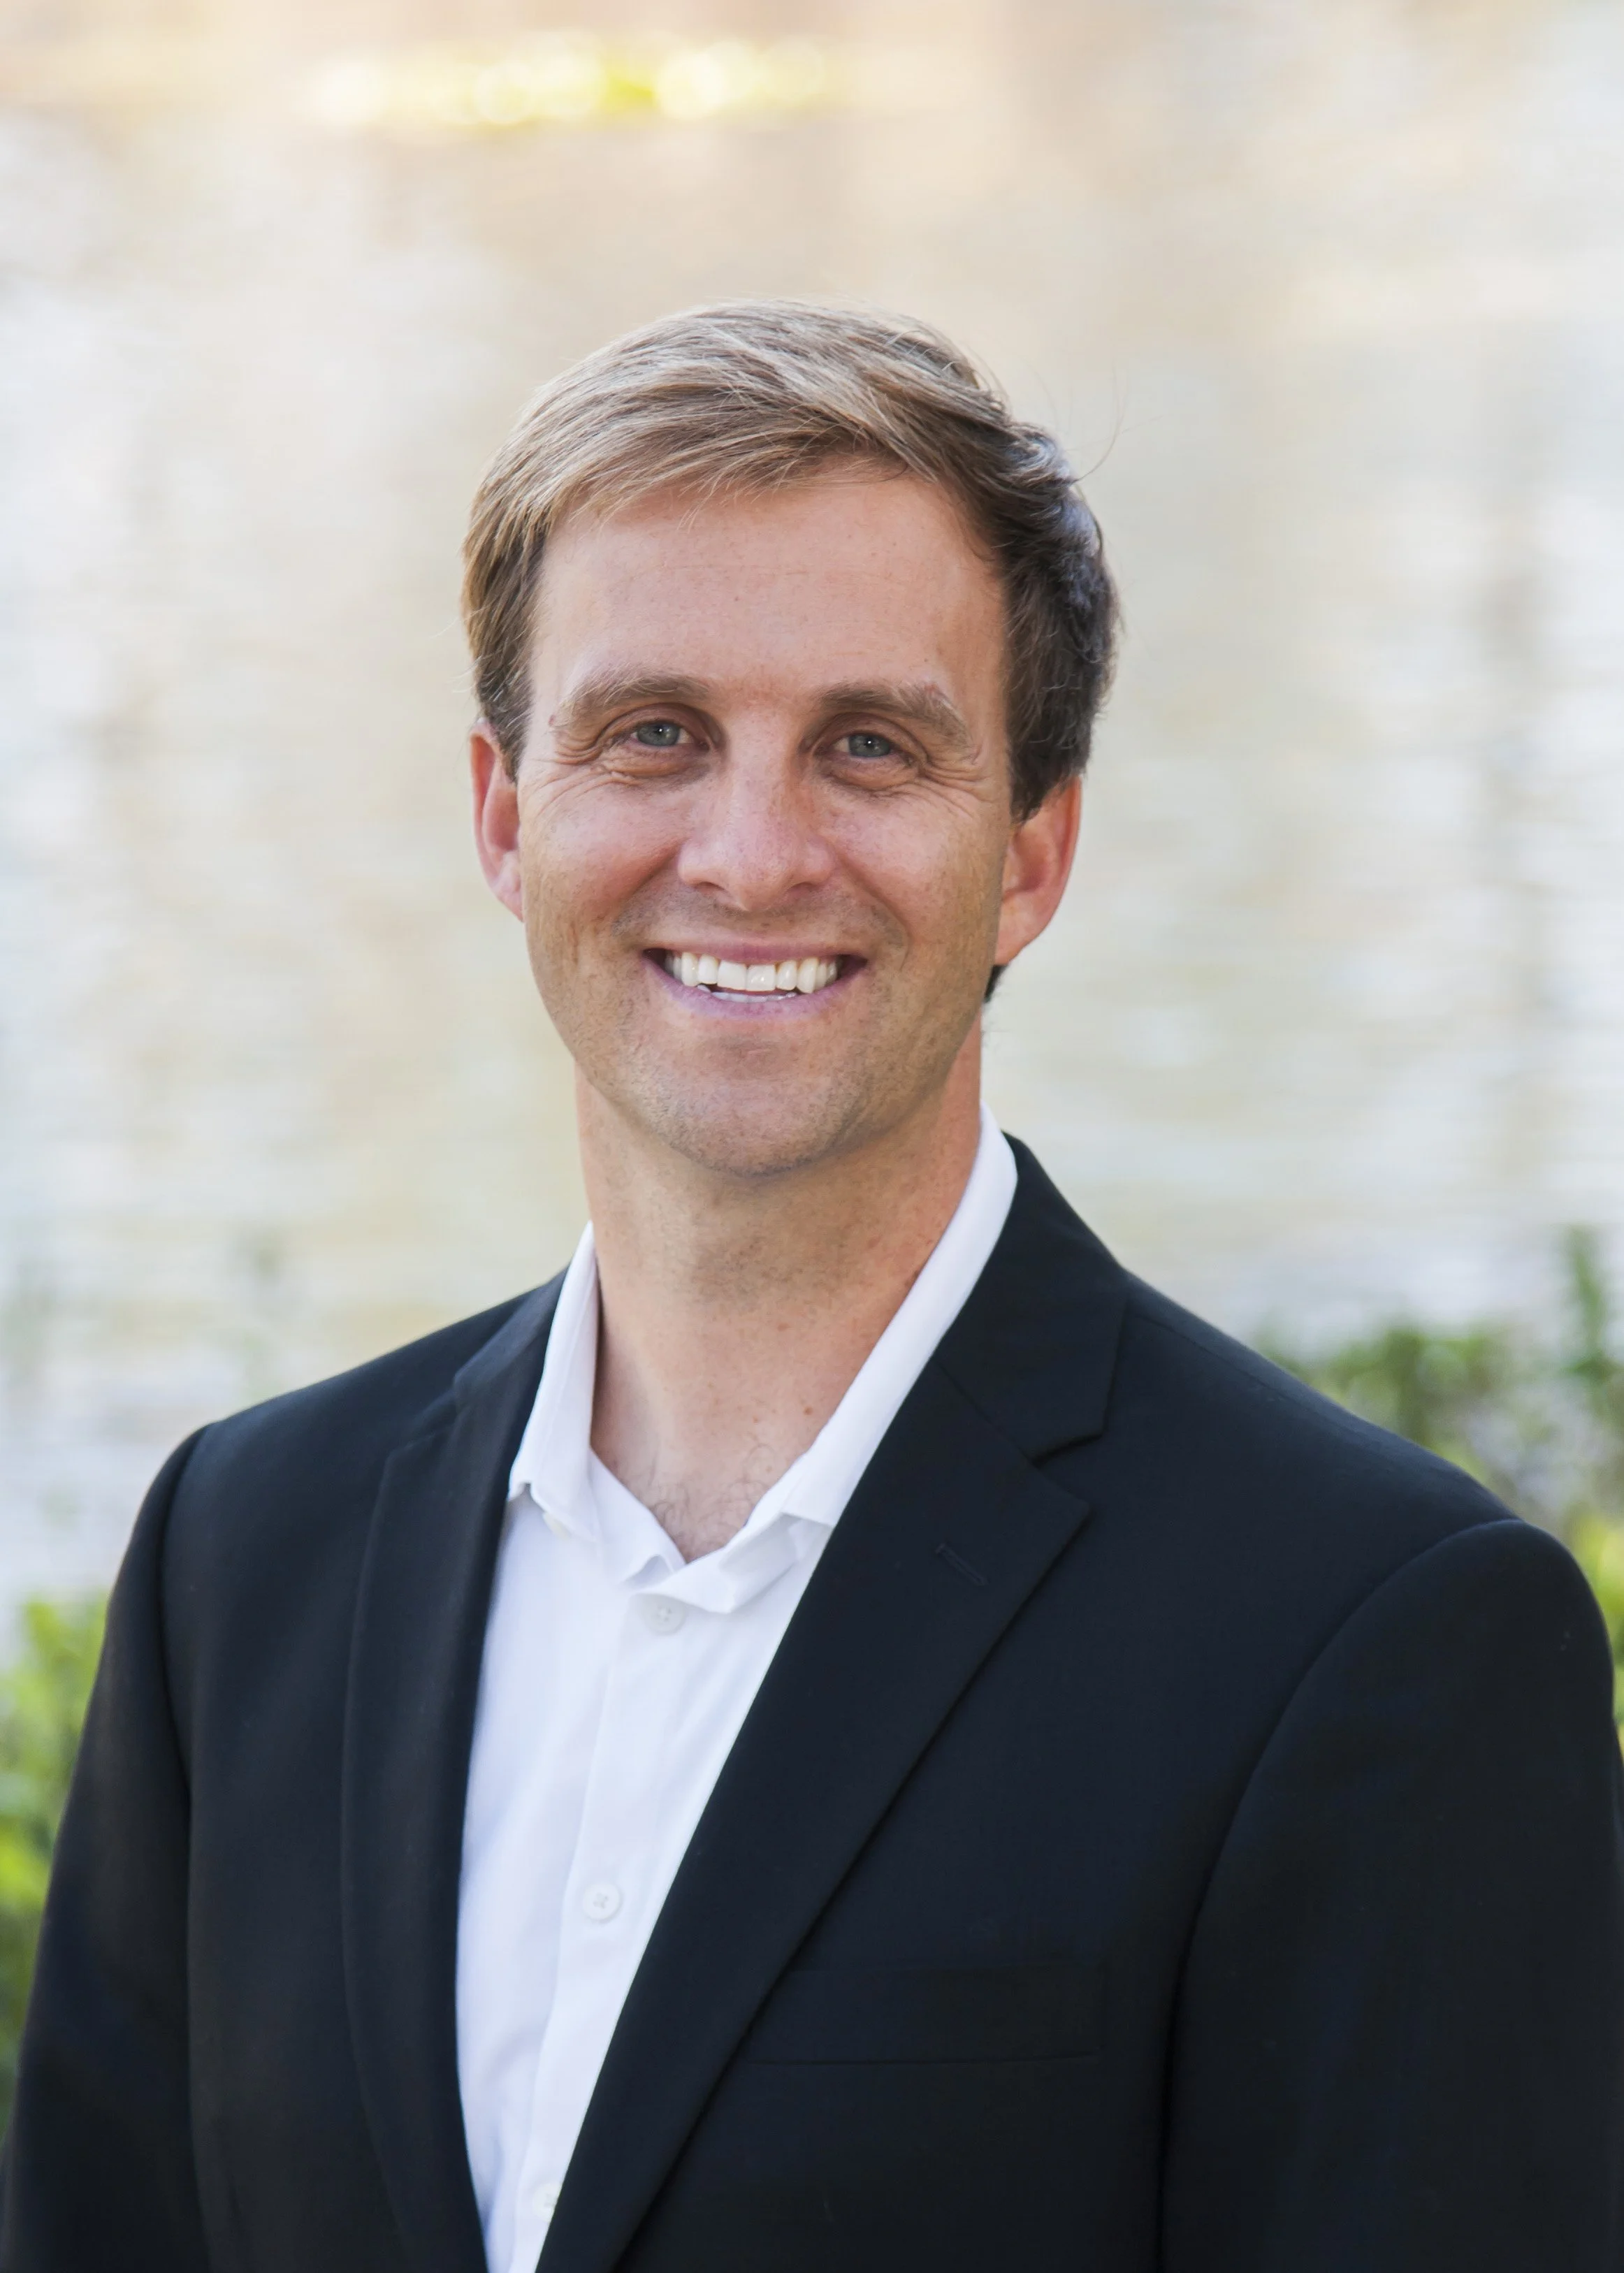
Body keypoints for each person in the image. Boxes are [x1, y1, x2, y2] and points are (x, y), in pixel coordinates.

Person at [3, 301, 1621, 2273]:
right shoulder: (242, 1558)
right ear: (509, 813)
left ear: (1030, 855)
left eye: (867, 745)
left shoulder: (1372, 1635)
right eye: (651, 733)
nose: (752, 853)